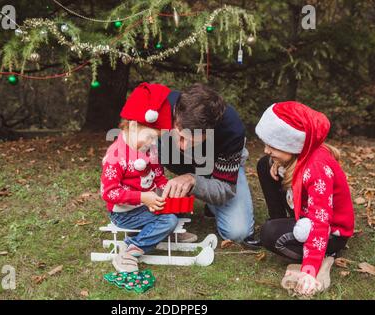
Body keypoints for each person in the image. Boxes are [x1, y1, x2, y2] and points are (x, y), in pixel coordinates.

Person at [255, 101, 355, 296]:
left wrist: (310, 269)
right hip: (306, 214)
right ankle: (279, 221)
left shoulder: (317, 168)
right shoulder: (299, 154)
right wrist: (278, 162)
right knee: (263, 165)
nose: (266, 149)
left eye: (272, 145)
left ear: (291, 144)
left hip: (330, 232)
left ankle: (324, 257)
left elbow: (319, 221)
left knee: (268, 234)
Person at [158, 83, 256, 246]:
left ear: (209, 131)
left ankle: (211, 202)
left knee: (238, 232)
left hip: (216, 168)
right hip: (167, 154)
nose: (182, 146)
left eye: (191, 140)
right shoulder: (160, 105)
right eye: (181, 137)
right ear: (176, 115)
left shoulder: (232, 130)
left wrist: (193, 181)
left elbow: (225, 188)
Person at [101, 83, 183, 272]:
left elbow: (158, 175)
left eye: (156, 138)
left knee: (176, 204)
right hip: (124, 213)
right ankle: (131, 250)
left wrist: (166, 190)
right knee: (169, 219)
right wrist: (143, 198)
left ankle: (163, 232)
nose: (152, 143)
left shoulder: (149, 148)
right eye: (150, 137)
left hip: (145, 202)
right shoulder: (116, 156)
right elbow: (109, 193)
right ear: (132, 125)